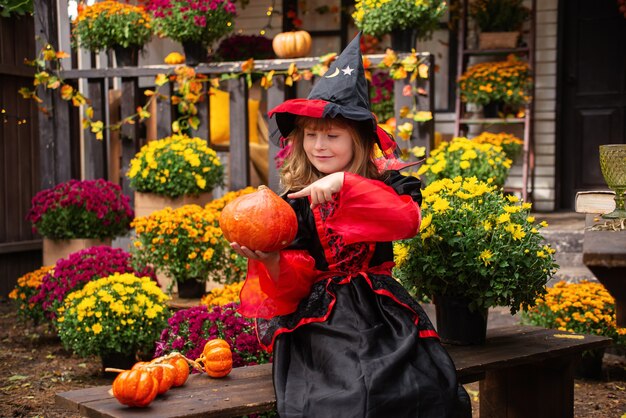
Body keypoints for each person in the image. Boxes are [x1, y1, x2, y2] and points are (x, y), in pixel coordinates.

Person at [229, 33, 471, 418]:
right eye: (311, 135)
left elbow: (406, 220)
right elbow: (297, 279)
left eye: (332, 135)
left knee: (414, 388)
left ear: (358, 139)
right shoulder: (296, 201)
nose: (319, 145)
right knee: (339, 396)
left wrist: (344, 183)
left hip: (381, 312)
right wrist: (271, 262)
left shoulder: (392, 184)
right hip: (323, 316)